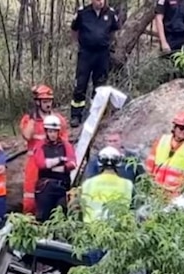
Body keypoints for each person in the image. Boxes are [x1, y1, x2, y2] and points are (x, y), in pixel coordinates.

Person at [78, 146, 134, 264]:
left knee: (92, 267)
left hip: (92, 232)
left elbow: (83, 206)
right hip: (115, 234)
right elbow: (130, 208)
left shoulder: (88, 184)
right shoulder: (127, 185)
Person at [69, 0, 120, 128]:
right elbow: (74, 30)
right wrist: (78, 45)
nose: (100, 2)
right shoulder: (82, 13)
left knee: (100, 85)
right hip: (86, 53)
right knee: (80, 83)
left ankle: (95, 114)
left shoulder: (111, 13)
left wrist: (109, 43)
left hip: (102, 54)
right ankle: (76, 115)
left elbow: (114, 30)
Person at [20, 85, 69, 215]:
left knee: (53, 198)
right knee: (30, 199)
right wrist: (33, 118)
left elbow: (64, 143)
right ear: (38, 102)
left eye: (49, 101)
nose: (48, 104)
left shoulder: (59, 120)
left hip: (52, 162)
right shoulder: (29, 119)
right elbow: (27, 136)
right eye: (45, 101)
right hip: (34, 163)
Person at [145, 111, 184, 196]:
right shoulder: (162, 140)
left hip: (175, 195)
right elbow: (150, 163)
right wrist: (148, 182)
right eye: (181, 128)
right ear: (175, 127)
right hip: (155, 191)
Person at [33, 115, 77, 222]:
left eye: (55, 131)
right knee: (44, 218)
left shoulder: (66, 145)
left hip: (62, 187)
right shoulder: (40, 146)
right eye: (50, 131)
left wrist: (58, 167)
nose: (52, 134)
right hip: (46, 187)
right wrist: (60, 160)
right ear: (46, 132)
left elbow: (72, 163)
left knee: (61, 216)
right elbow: (41, 164)